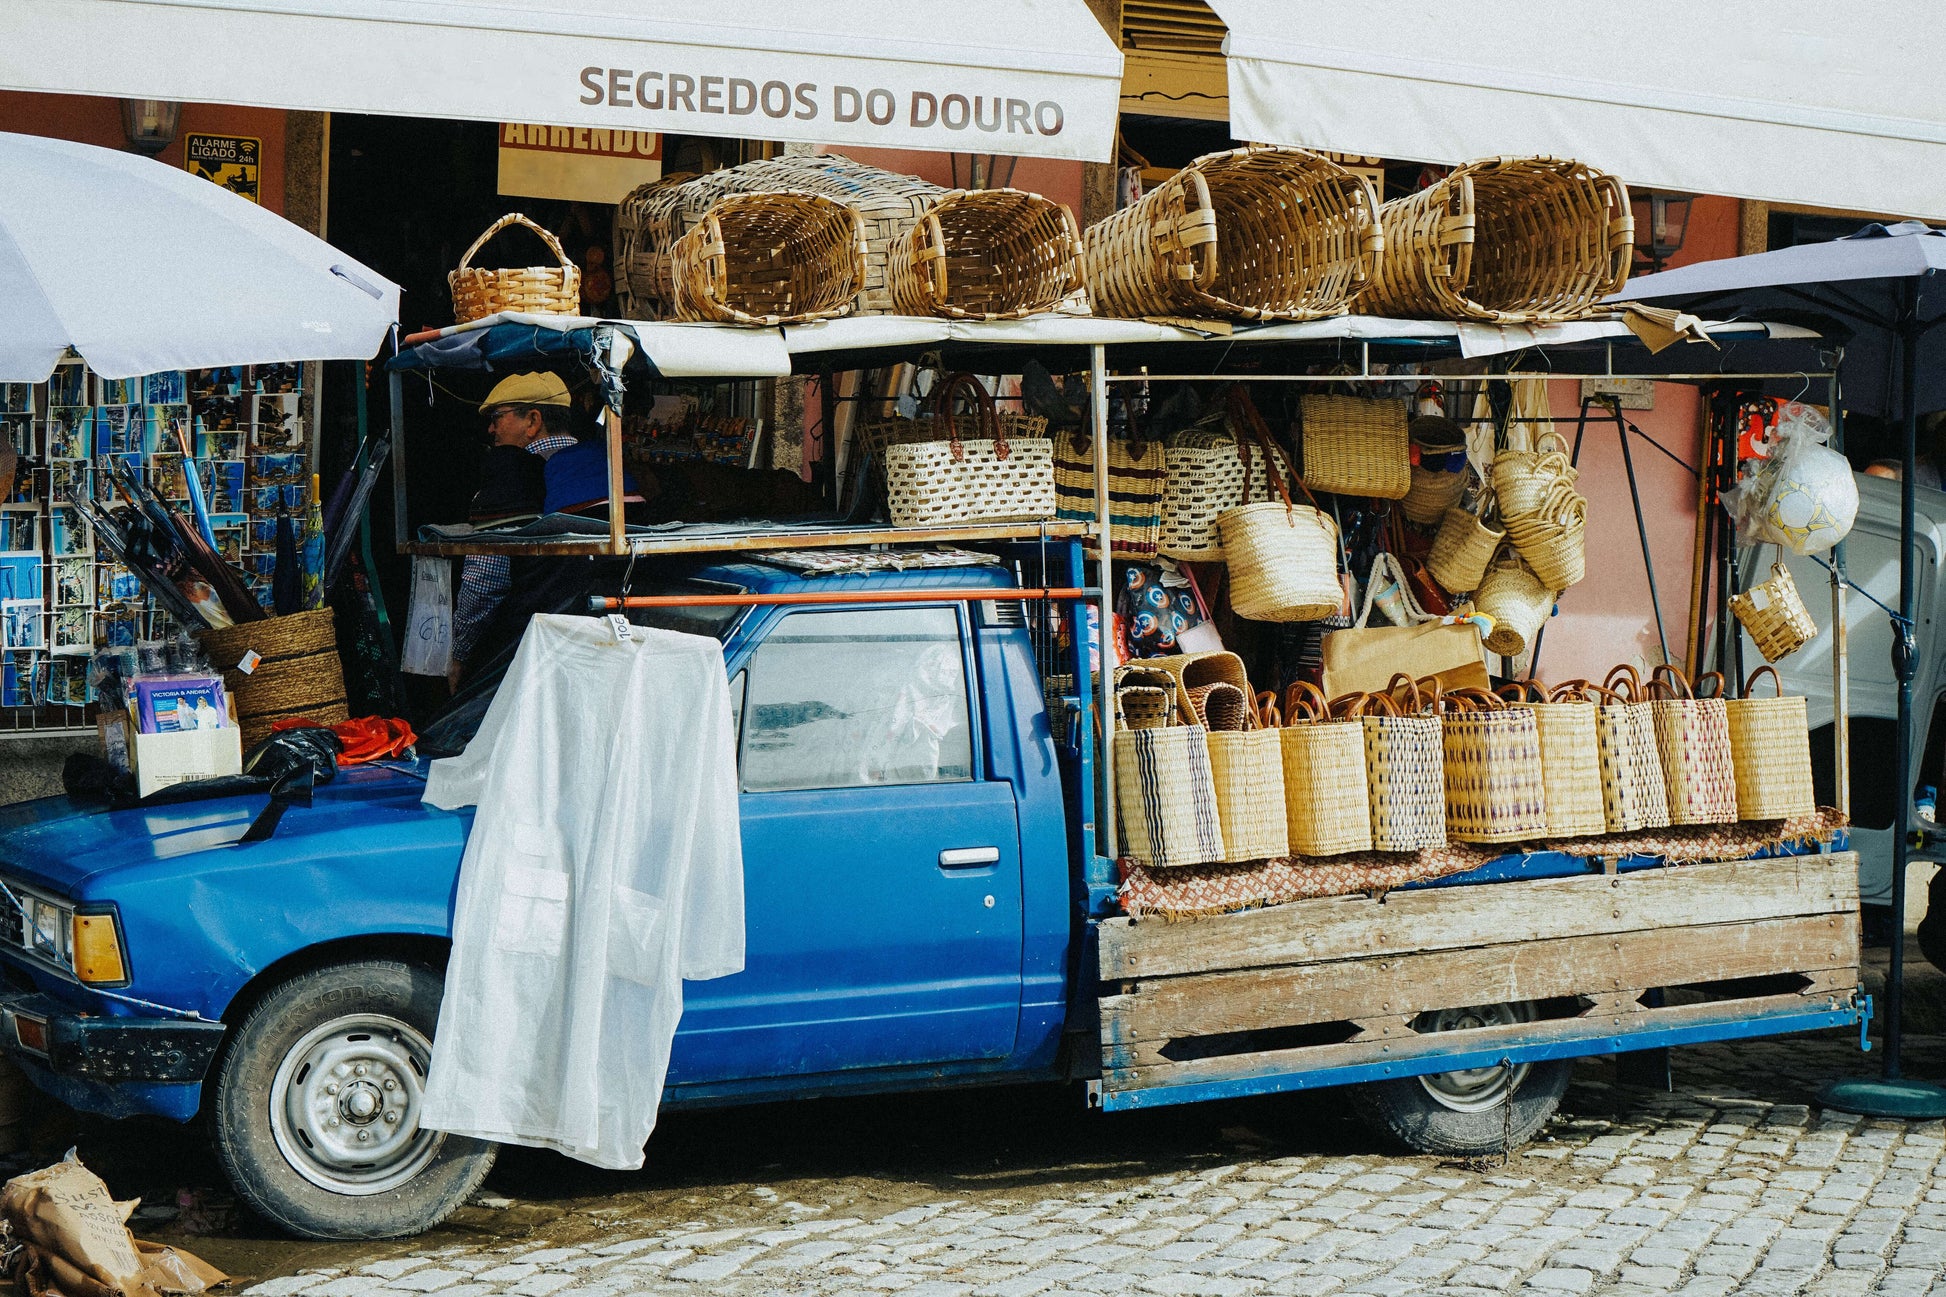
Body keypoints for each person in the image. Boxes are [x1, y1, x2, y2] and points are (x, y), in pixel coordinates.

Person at [448, 373, 581, 687]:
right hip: (587, 641)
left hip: (521, 650)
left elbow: (485, 582)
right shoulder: (600, 466)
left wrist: (461, 656)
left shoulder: (511, 477)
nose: (491, 429)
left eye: (498, 417)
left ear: (533, 420)